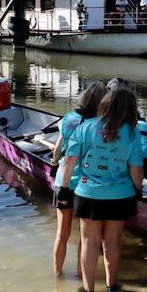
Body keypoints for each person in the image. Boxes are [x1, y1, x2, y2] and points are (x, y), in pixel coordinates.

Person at [58, 87, 146, 292]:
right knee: (112, 242)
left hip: (88, 193)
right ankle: (111, 284)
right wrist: (138, 189)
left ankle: (88, 290)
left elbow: (70, 162)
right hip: (120, 195)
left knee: (90, 242)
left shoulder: (85, 127)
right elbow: (136, 170)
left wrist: (63, 189)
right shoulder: (133, 134)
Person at [51, 82, 106, 277]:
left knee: (62, 233)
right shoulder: (101, 124)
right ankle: (81, 275)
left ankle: (57, 274)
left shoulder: (69, 118)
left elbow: (58, 148)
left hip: (64, 180)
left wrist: (54, 163)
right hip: (87, 184)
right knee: (86, 237)